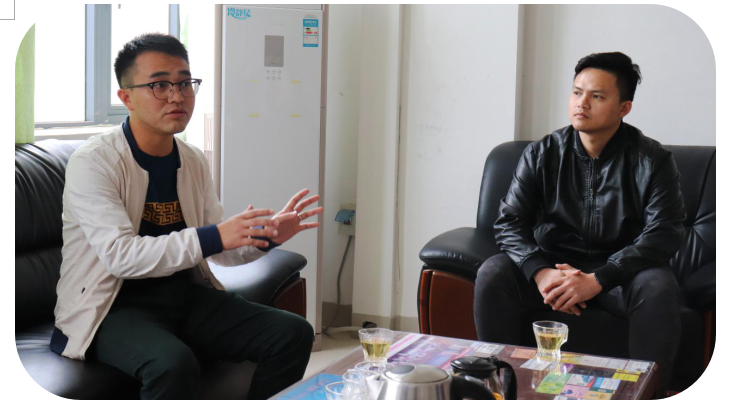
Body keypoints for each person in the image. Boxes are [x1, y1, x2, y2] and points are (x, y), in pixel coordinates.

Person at [51, 32, 323, 400]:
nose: (177, 96)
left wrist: (264, 238)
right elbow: (120, 256)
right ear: (126, 97)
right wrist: (215, 236)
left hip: (183, 297)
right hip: (109, 308)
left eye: (184, 83)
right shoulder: (94, 162)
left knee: (292, 333)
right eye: (159, 85)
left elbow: (219, 249)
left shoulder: (192, 159)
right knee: (172, 364)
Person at [473, 52, 685, 396]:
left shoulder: (652, 160)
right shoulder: (543, 152)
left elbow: (665, 232)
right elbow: (510, 222)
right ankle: (499, 388)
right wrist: (541, 272)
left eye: (596, 96)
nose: (581, 104)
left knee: (657, 287)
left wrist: (599, 279)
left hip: (621, 276)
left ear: (624, 107)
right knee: (494, 272)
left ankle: (649, 396)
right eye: (576, 92)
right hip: (555, 269)